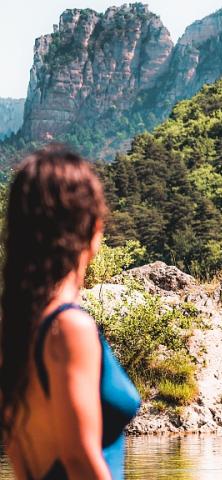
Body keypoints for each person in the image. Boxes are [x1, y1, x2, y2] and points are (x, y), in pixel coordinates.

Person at [0, 145, 140, 480]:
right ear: (91, 229)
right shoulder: (69, 328)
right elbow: (78, 459)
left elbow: (19, 455)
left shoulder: (13, 329)